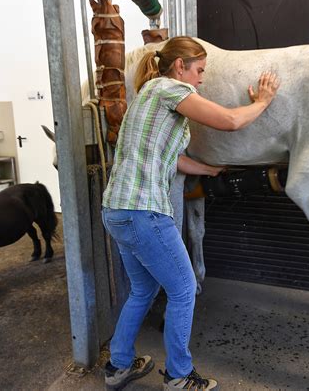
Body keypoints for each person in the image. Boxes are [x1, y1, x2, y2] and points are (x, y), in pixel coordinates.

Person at [102, 36, 280, 390]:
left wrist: (210, 170)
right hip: (144, 213)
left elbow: (173, 159)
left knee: (141, 290)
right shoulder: (168, 88)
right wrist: (262, 102)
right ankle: (179, 377)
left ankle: (118, 366)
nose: (201, 79)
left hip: (117, 211)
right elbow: (229, 120)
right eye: (199, 71)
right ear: (179, 67)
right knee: (183, 290)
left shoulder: (146, 97)